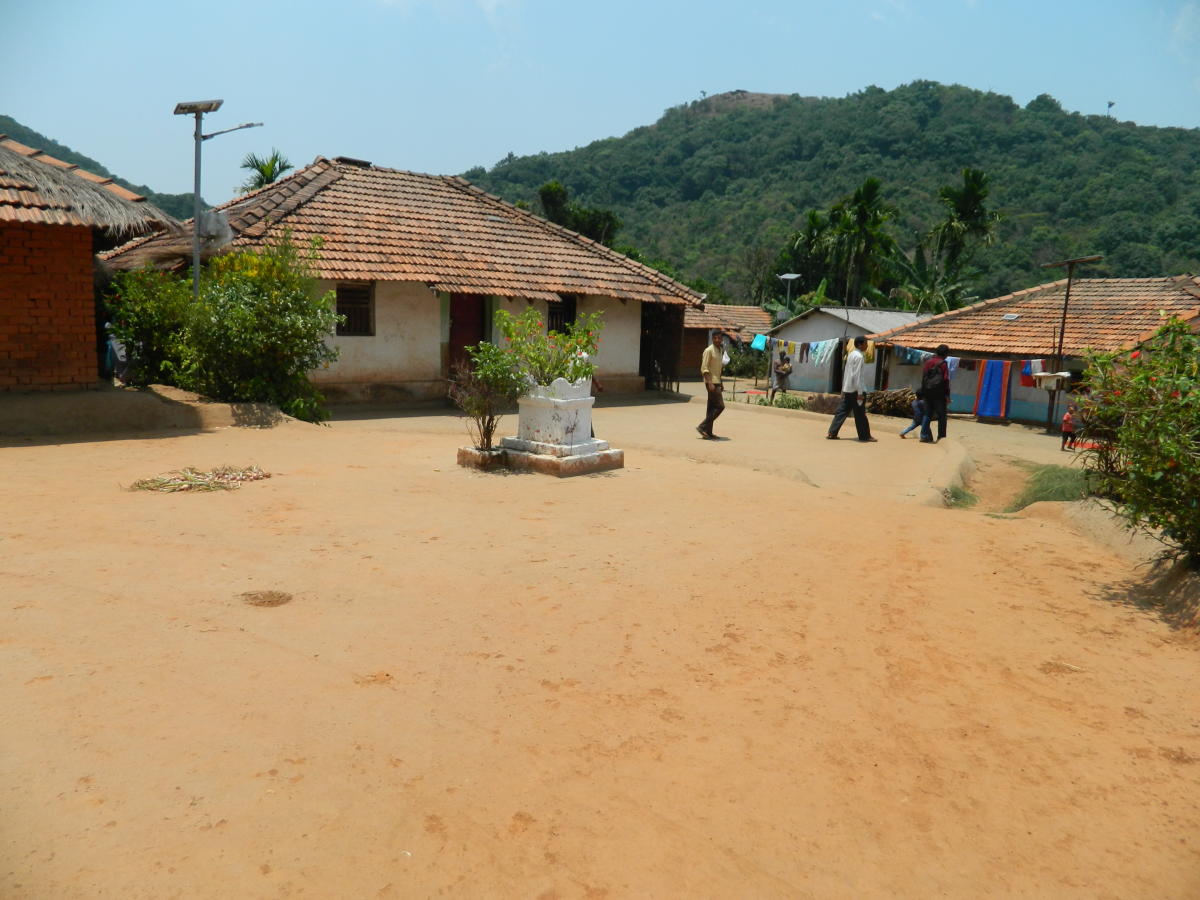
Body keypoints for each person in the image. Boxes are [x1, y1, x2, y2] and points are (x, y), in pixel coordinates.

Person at [826, 335, 877, 442]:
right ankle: (865, 436)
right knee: (860, 414)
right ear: (860, 344)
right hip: (856, 390)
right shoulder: (859, 357)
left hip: (848, 389)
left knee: (842, 411)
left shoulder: (851, 355)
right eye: (866, 344)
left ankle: (832, 432)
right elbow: (856, 375)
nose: (867, 346)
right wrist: (859, 392)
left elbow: (848, 374)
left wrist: (845, 388)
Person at [919, 344, 951, 443]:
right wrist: (947, 395)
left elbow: (923, 377)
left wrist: (923, 391)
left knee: (927, 414)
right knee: (942, 416)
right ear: (945, 354)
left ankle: (924, 436)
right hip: (939, 394)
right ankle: (941, 437)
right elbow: (946, 380)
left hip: (927, 392)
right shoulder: (943, 363)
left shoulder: (928, 362)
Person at [697, 331, 725, 439]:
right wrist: (709, 382)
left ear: (722, 339)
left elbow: (718, 369)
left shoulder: (720, 350)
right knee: (720, 406)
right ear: (712, 339)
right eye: (715, 338)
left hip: (717, 381)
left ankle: (708, 432)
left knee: (711, 407)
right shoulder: (708, 350)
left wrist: (721, 382)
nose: (717, 340)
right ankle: (702, 426)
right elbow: (704, 368)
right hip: (711, 382)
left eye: (719, 338)